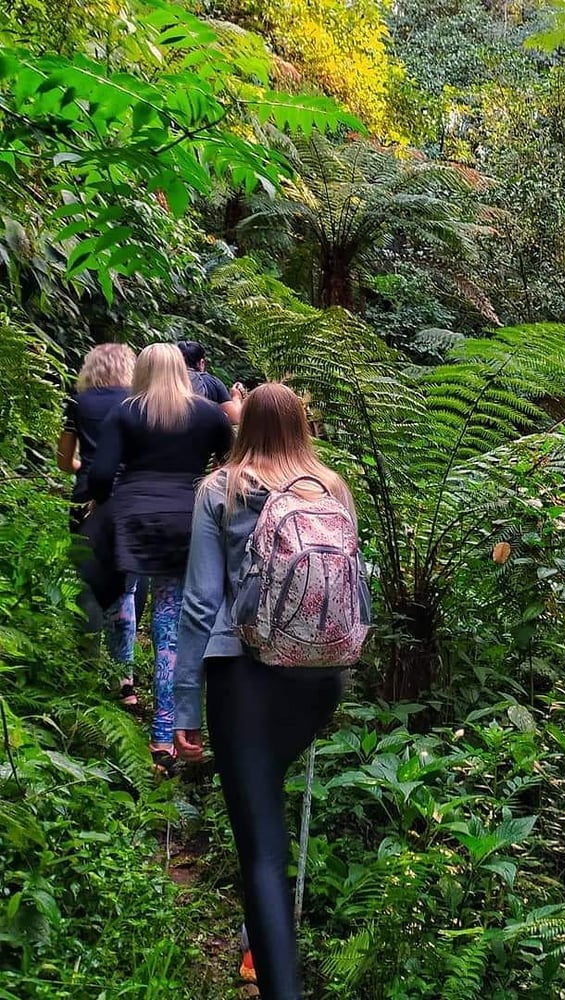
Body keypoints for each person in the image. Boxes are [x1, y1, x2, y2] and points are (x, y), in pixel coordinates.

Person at [174, 383, 357, 1000]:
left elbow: (200, 604)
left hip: (244, 675)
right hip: (320, 679)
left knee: (261, 851)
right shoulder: (331, 488)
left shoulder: (220, 490)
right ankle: (265, 950)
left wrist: (183, 706)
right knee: (268, 797)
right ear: (303, 425)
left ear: (241, 424)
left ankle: (279, 985)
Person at [89, 343, 232, 771]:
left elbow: (99, 475)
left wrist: (105, 505)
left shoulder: (125, 413)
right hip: (188, 520)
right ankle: (164, 736)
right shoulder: (208, 414)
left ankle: (123, 676)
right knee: (170, 626)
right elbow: (230, 461)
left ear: (142, 371)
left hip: (133, 520)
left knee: (122, 596)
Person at [57, 343, 141, 705]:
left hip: (86, 501)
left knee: (87, 585)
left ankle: (85, 671)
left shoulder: (79, 404)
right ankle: (123, 677)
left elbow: (64, 459)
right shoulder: (137, 402)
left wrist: (83, 470)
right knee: (126, 589)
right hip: (129, 502)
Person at [176, 340, 245, 424]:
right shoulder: (211, 382)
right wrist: (236, 397)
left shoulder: (165, 382)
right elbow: (235, 418)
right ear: (201, 363)